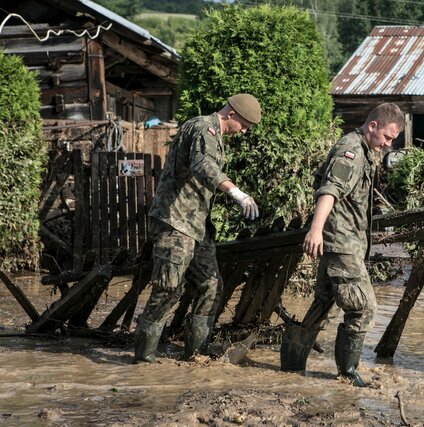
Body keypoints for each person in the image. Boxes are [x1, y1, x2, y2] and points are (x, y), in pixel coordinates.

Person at [280, 103, 404, 386]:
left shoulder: (366, 151)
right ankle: (347, 373)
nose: (388, 144)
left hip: (347, 240)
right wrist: (315, 230)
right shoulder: (351, 151)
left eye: (393, 140)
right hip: (340, 242)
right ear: (373, 126)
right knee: (364, 308)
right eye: (387, 137)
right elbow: (330, 190)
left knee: (323, 302)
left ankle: (291, 368)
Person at [133, 94, 262, 363]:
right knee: (168, 288)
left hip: (196, 225)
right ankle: (143, 359)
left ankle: (197, 355)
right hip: (175, 221)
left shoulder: (214, 134)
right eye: (245, 125)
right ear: (232, 115)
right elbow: (203, 164)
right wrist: (235, 192)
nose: (245, 131)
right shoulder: (204, 127)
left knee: (211, 284)